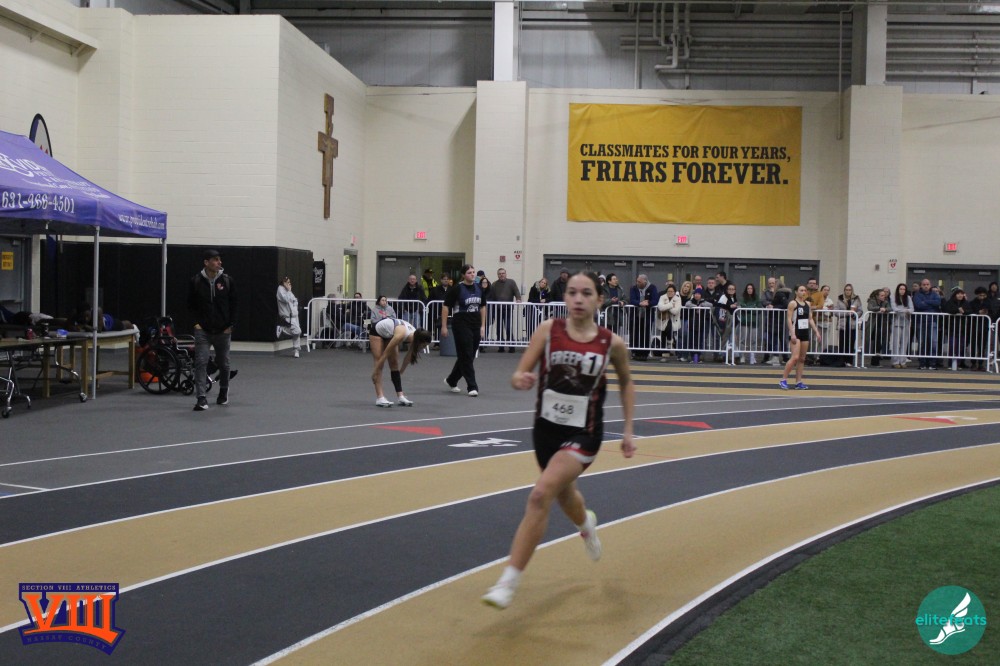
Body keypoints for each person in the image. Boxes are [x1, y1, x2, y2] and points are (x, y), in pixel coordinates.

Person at [481, 271, 635, 610]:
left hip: (584, 432)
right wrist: (520, 379)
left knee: (540, 494)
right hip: (546, 430)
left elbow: (626, 382)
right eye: (572, 292)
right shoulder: (548, 331)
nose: (578, 299)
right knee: (563, 493)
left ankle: (508, 582)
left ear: (599, 299)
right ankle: (586, 524)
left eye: (586, 293)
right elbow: (518, 373)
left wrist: (627, 430)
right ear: (564, 297)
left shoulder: (611, 343)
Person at [188, 249, 237, 410]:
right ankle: (201, 398)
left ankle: (223, 391)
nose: (219, 262)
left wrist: (230, 325)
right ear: (206, 262)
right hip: (203, 331)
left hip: (223, 331)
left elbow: (234, 305)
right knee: (201, 362)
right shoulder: (196, 281)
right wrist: (196, 324)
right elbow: (190, 305)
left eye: (219, 260)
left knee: (224, 363)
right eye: (215, 259)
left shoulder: (227, 281)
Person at [441, 264, 486, 396]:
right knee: (466, 354)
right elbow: (446, 306)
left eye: (473, 272)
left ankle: (452, 379)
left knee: (469, 355)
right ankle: (472, 386)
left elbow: (483, 307)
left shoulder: (479, 288)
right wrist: (444, 326)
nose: (472, 274)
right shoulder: (457, 289)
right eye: (469, 273)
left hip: (475, 323)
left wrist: (483, 326)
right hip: (461, 323)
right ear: (463, 275)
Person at [370, 317, 433, 407]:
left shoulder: (415, 336)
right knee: (379, 362)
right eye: (423, 345)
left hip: (390, 334)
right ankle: (380, 397)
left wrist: (400, 372)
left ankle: (401, 396)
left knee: (394, 363)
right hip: (377, 332)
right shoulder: (401, 335)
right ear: (419, 341)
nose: (423, 348)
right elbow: (385, 355)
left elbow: (407, 358)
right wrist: (374, 372)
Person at [780, 285, 821, 390]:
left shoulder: (808, 304)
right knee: (795, 357)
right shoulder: (793, 303)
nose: (803, 292)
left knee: (802, 359)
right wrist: (792, 333)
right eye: (801, 290)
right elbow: (789, 319)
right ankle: (783, 379)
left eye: (804, 290)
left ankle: (798, 382)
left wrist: (816, 331)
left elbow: (810, 319)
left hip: (804, 332)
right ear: (796, 292)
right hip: (796, 332)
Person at [913, 278, 942, 369]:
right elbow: (918, 305)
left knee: (933, 343)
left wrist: (925, 302)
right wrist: (930, 304)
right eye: (924, 284)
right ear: (921, 286)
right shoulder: (917, 295)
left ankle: (932, 364)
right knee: (922, 343)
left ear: (930, 285)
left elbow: (937, 303)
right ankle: (922, 363)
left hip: (932, 321)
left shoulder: (935, 294)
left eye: (927, 284)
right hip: (921, 322)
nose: (926, 286)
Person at [491, 267, 522, 352]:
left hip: (508, 309)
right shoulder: (494, 284)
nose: (501, 275)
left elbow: (516, 291)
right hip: (497, 310)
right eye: (500, 274)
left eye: (503, 273)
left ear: (506, 274)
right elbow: (492, 297)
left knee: (508, 327)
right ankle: (501, 347)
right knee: (499, 328)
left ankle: (511, 346)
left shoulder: (511, 282)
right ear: (497, 275)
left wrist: (518, 298)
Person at [629, 274, 658, 360]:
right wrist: (639, 303)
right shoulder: (633, 288)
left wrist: (648, 303)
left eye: (639, 282)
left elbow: (655, 300)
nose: (637, 283)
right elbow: (632, 300)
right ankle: (635, 352)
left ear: (645, 282)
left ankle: (644, 353)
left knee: (645, 334)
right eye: (637, 281)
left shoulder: (652, 288)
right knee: (635, 334)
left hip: (647, 315)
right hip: (636, 315)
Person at [276, 276, 301, 358]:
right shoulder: (280, 289)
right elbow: (286, 299)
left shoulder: (288, 290)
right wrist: (289, 291)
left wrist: (295, 307)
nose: (289, 284)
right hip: (287, 315)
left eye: (290, 282)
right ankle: (282, 329)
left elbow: (294, 300)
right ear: (283, 283)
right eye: (287, 282)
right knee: (297, 331)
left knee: (296, 334)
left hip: (294, 314)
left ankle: (296, 350)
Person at [890, 283, 914, 368]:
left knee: (904, 342)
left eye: (904, 289)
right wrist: (905, 310)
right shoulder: (893, 297)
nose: (902, 291)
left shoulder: (908, 298)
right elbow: (894, 308)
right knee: (896, 342)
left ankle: (902, 361)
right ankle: (895, 361)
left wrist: (906, 310)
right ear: (898, 290)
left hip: (906, 322)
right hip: (896, 322)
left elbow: (912, 309)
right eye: (901, 289)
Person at [655, 283, 681, 361]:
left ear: (674, 292)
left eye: (672, 291)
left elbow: (675, 311)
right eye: (668, 291)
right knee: (663, 336)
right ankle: (664, 355)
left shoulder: (677, 298)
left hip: (673, 320)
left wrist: (666, 306)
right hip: (663, 320)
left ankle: (670, 345)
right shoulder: (662, 297)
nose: (670, 293)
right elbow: (660, 307)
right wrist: (671, 305)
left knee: (669, 331)